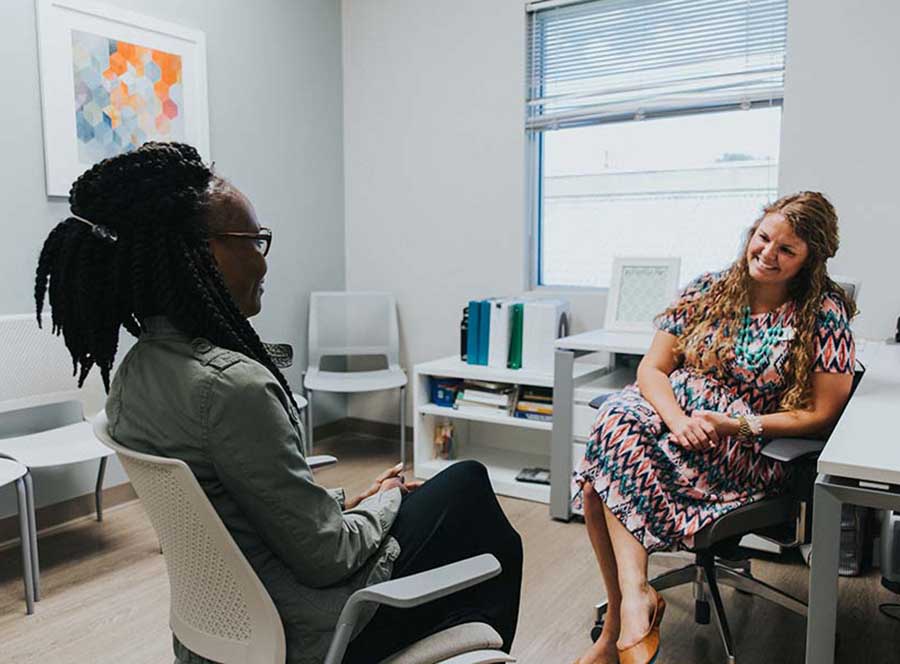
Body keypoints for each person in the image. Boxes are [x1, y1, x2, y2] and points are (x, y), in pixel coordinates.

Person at [34, 142, 522, 664]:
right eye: (253, 241)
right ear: (199, 253)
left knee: (451, 491)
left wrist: (354, 502)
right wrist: (389, 500)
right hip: (311, 630)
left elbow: (243, 505)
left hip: (225, 625)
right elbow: (327, 558)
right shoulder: (232, 387)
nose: (263, 260)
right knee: (471, 492)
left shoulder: (134, 374)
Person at [572, 191, 857, 664]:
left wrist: (734, 424)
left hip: (742, 447)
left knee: (599, 480)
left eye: (786, 250)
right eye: (763, 238)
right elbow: (651, 371)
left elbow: (821, 413)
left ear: (810, 260)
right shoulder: (707, 288)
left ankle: (617, 627)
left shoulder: (824, 313)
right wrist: (678, 420)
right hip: (675, 423)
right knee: (616, 420)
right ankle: (634, 600)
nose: (767, 254)